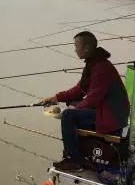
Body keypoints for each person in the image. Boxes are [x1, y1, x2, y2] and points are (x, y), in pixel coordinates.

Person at [41, 31, 130, 173]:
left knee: (68, 116)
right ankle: (77, 150)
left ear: (87, 48)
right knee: (72, 104)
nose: (75, 49)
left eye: (77, 46)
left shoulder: (100, 67)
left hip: (112, 117)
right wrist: (55, 98)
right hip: (107, 111)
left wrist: (70, 110)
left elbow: (93, 99)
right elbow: (80, 90)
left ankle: (75, 160)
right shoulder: (94, 63)